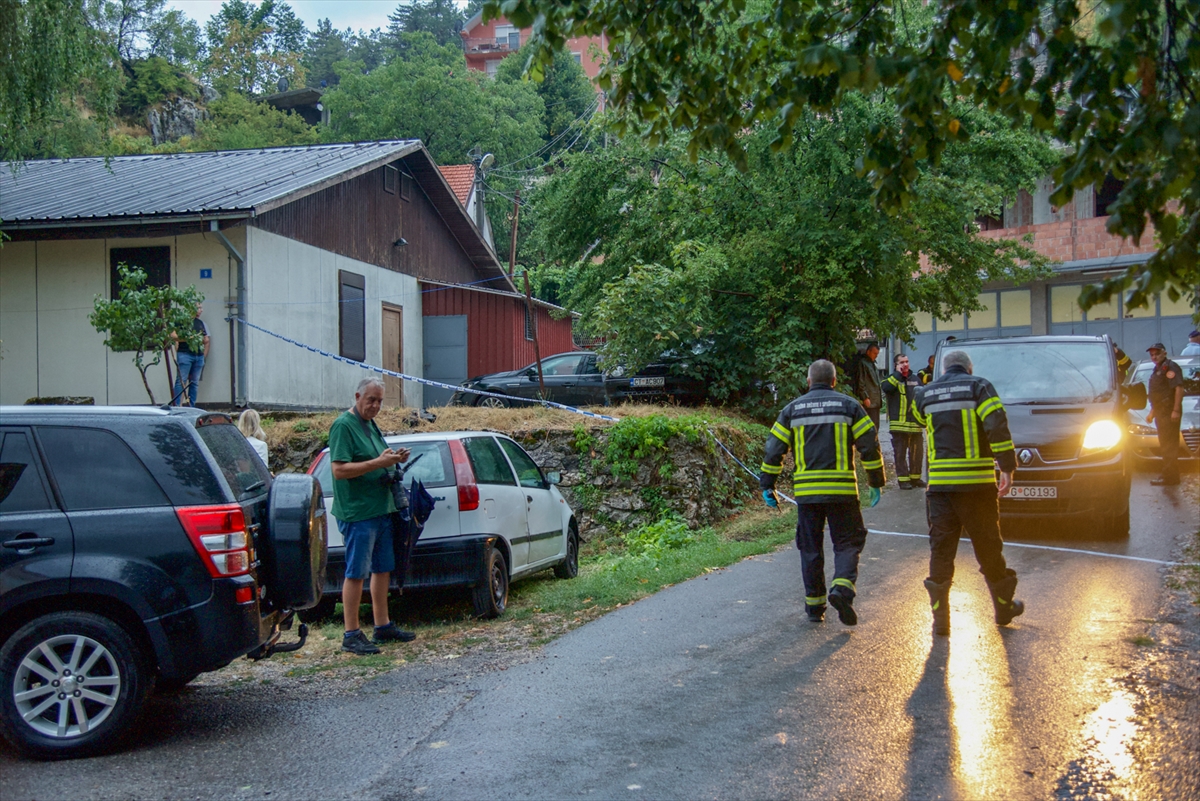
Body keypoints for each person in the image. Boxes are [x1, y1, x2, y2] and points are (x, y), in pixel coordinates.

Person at [760, 359, 886, 626]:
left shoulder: (791, 410)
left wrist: (767, 483)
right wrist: (876, 480)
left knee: (810, 548)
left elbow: (773, 450)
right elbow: (869, 445)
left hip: (808, 495)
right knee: (848, 542)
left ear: (808, 381)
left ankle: (815, 607)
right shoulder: (849, 406)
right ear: (834, 381)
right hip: (842, 492)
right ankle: (841, 588)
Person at [912, 350, 1021, 636]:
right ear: (969, 368)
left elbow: (918, 418)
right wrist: (1007, 468)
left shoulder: (925, 394)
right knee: (988, 548)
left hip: (940, 488)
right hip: (977, 486)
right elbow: (996, 425)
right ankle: (1003, 608)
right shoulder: (979, 386)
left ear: (945, 369)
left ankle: (941, 621)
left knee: (941, 551)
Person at [329, 377, 415, 654]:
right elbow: (339, 470)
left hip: (380, 508)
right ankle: (351, 633)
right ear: (357, 396)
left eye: (379, 401)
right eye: (371, 400)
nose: (376, 406)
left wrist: (394, 459)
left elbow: (377, 458)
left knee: (382, 568)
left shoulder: (369, 424)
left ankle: (382, 625)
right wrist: (380, 462)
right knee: (356, 571)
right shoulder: (343, 425)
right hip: (358, 512)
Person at [882, 353, 925, 490]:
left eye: (907, 361)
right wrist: (898, 374)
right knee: (900, 454)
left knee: (917, 454)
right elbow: (887, 388)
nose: (905, 364)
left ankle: (915, 478)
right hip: (899, 426)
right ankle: (903, 480)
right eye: (902, 362)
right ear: (896, 365)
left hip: (915, 425)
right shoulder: (890, 379)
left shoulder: (916, 379)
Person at [1144, 343, 1185, 487]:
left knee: (1169, 446)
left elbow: (1178, 389)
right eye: (1152, 355)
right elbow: (1159, 394)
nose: (1154, 357)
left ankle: (1170, 478)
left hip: (1168, 412)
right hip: (1161, 412)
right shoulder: (1157, 369)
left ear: (1164, 353)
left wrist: (1176, 410)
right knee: (1165, 445)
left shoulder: (1170, 367)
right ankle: (1169, 475)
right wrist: (1152, 412)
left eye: (1157, 354)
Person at [172, 302, 210, 407]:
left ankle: (191, 406)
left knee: (194, 383)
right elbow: (173, 335)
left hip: (198, 356)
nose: (201, 310)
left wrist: (203, 352)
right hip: (185, 354)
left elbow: (205, 339)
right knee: (181, 381)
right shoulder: (181, 321)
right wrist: (188, 338)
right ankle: (177, 406)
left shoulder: (200, 323)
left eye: (201, 308)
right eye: (199, 308)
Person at [852, 341, 883, 429]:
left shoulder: (872, 364)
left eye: (877, 354)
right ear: (868, 352)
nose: (876, 355)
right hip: (870, 399)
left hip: (875, 400)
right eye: (874, 353)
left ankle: (875, 441)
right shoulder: (863, 363)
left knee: (876, 424)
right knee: (871, 425)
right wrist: (865, 397)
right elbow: (861, 381)